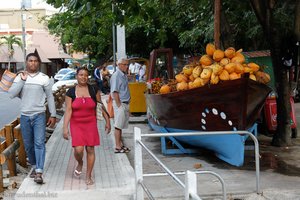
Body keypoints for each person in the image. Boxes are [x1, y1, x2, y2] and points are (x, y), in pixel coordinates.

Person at [8, 52, 56, 184]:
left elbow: (50, 97)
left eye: (35, 61)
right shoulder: (20, 77)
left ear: (38, 63)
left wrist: (53, 114)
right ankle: (34, 166)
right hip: (25, 116)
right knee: (29, 145)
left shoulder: (44, 78)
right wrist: (22, 81)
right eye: (30, 61)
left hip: (39, 115)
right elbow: (11, 94)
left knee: (39, 143)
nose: (33, 63)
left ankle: (39, 171)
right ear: (26, 62)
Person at [63, 67, 111, 185]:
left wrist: (108, 121)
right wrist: (65, 128)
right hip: (76, 124)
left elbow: (100, 106)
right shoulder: (70, 92)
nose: (83, 77)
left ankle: (88, 175)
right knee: (78, 150)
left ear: (88, 77)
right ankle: (80, 163)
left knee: (90, 148)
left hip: (90, 123)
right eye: (81, 75)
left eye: (85, 75)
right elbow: (68, 110)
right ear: (76, 76)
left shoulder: (94, 90)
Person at [110, 57, 131, 153]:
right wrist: (119, 106)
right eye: (125, 64)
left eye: (127, 64)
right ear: (119, 65)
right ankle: (118, 146)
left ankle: (120, 144)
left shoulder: (123, 75)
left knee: (121, 125)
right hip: (120, 104)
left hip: (124, 103)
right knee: (118, 125)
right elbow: (115, 92)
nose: (127, 66)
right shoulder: (116, 75)